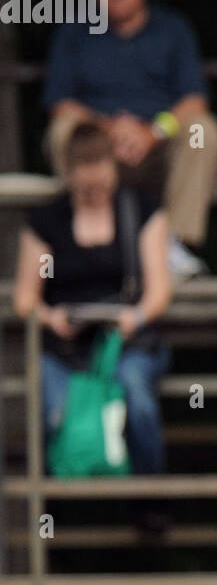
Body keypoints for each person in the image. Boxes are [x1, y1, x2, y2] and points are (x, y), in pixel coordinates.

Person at [42, 0, 217, 279]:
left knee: (202, 129)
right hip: (97, 142)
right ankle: (84, 244)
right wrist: (108, 129)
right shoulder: (73, 33)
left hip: (158, 143)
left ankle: (174, 245)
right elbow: (60, 103)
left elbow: (194, 100)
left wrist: (152, 133)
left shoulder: (173, 29)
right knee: (63, 130)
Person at [13, 122, 172, 477]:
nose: (94, 194)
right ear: (69, 175)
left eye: (100, 186)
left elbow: (160, 290)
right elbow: (26, 297)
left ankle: (151, 503)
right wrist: (50, 318)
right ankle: (53, 516)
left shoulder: (141, 210)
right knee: (54, 413)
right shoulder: (47, 221)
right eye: (85, 190)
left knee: (137, 399)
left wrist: (136, 317)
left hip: (126, 342)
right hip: (65, 348)